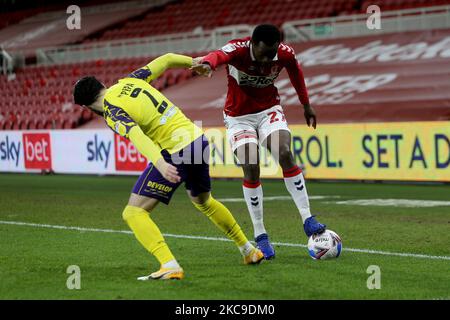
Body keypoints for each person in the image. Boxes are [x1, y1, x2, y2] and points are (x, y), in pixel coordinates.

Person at [73, 53, 264, 280]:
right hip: (197, 139)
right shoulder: (131, 81)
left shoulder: (111, 110)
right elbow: (166, 59)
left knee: (133, 212)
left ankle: (169, 265)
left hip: (176, 150)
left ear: (86, 107)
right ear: (103, 85)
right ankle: (248, 250)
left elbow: (137, 136)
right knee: (204, 202)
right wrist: (194, 63)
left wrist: (161, 163)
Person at [191, 24, 326, 260]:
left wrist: (306, 104)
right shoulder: (238, 49)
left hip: (268, 110)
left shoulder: (283, 52)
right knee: (251, 166)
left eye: (272, 53)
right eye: (265, 52)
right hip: (238, 117)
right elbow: (218, 56)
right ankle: (261, 234)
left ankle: (307, 218)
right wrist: (207, 64)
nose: (269, 59)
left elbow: (295, 72)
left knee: (284, 152)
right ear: (253, 43)